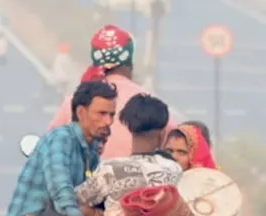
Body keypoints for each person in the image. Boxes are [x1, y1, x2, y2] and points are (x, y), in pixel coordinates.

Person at [5, 80, 117, 216]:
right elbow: (60, 188)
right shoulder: (61, 138)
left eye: (112, 115)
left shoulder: (92, 148)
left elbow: (88, 194)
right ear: (81, 113)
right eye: (102, 114)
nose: (109, 122)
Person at [48, 25, 177, 159]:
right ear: (130, 63)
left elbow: (50, 150)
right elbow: (174, 144)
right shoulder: (151, 105)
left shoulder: (73, 104)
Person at [76, 93, 189, 216]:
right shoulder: (175, 169)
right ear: (162, 134)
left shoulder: (109, 169)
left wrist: (95, 214)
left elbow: (74, 202)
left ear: (130, 128)